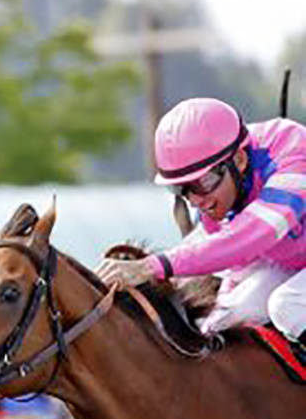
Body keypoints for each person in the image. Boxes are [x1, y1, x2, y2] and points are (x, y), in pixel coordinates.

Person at [97, 97, 306, 339]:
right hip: (293, 264)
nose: (195, 200)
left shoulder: (293, 153)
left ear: (239, 160)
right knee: (222, 320)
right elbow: (235, 266)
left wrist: (151, 266)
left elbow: (248, 239)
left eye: (202, 183)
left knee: (288, 305)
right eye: (181, 189)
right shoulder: (218, 199)